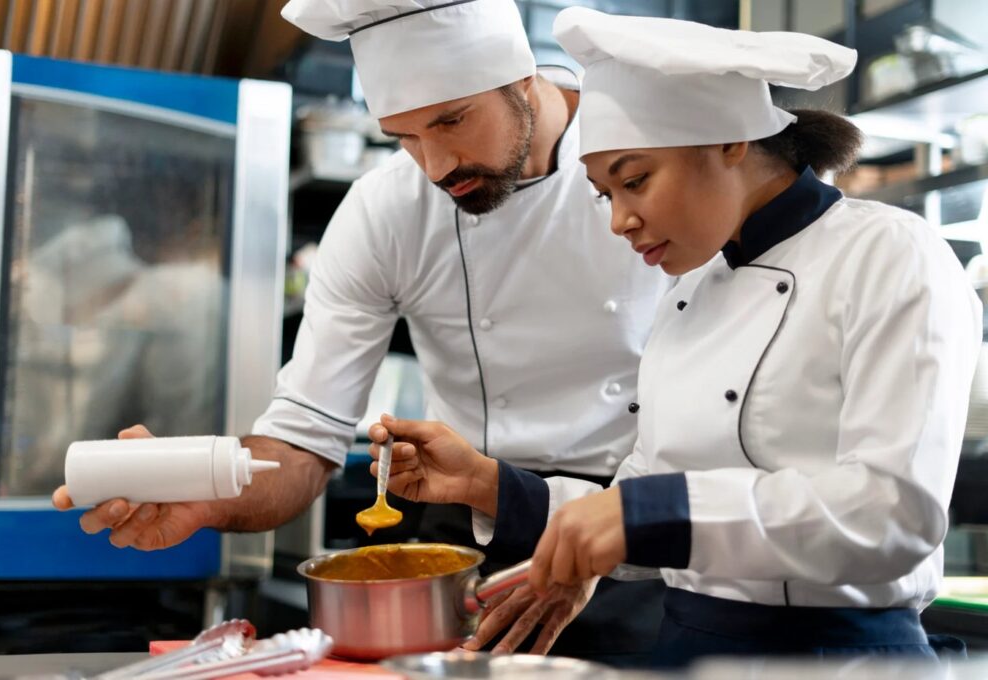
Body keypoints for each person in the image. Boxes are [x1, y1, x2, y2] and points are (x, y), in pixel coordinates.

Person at [51, 0, 671, 665]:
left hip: (641, 529)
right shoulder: (387, 212)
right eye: (404, 137)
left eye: (451, 121)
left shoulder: (646, 166)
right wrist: (210, 494)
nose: (436, 167)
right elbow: (304, 436)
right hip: (469, 545)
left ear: (525, 80)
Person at [363, 7, 983, 669]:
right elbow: (644, 495)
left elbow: (892, 514)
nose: (620, 222)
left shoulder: (890, 253)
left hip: (838, 659)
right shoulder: (691, 290)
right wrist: (486, 483)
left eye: (635, 181)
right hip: (685, 651)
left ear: (731, 140)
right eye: (604, 194)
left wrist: (646, 511)